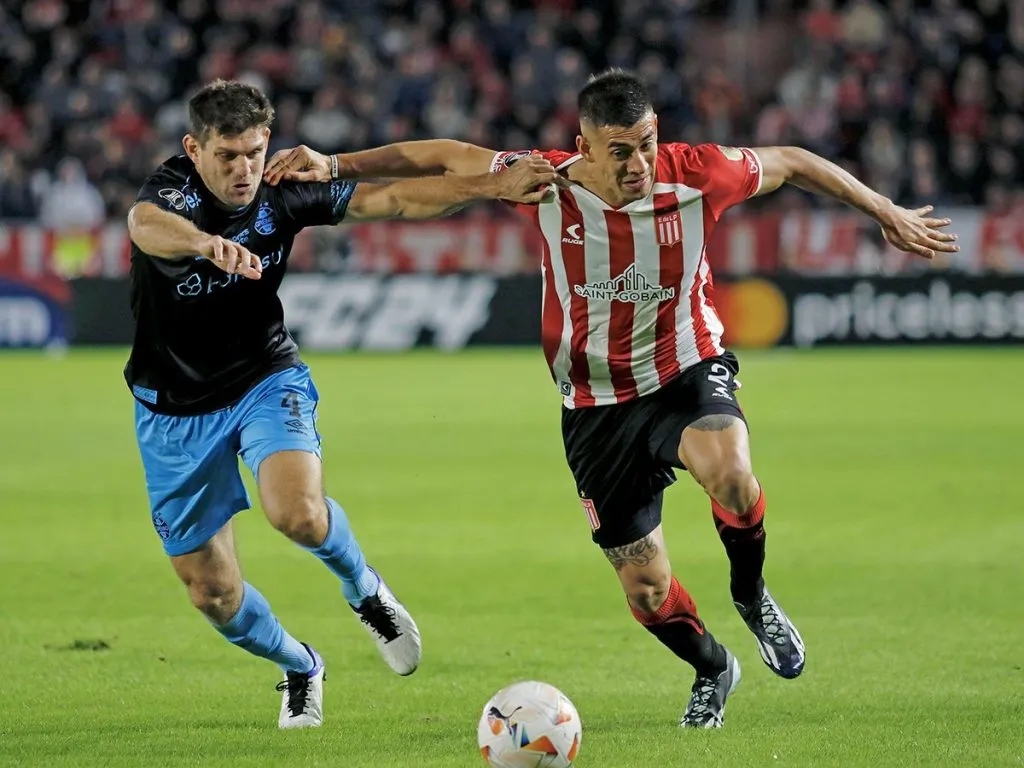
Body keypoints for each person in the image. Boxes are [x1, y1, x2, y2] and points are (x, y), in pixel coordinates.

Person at [263, 69, 958, 729]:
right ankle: (713, 669)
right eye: (619, 151)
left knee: (732, 473)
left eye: (646, 145)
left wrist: (883, 210)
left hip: (685, 367)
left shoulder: (698, 174)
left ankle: (751, 595)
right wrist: (336, 164)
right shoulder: (544, 180)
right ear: (583, 147)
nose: (637, 164)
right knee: (647, 590)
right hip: (595, 407)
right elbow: (443, 156)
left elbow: (795, 160)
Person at [125, 79, 559, 730]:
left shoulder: (282, 189)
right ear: (195, 148)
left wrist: (488, 188)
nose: (244, 169)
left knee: (296, 513)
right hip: (170, 410)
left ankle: (365, 590)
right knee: (212, 593)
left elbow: (399, 198)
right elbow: (144, 225)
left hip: (264, 379)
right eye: (227, 156)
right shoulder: (171, 192)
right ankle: (300, 665)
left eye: (253, 151)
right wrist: (203, 244)